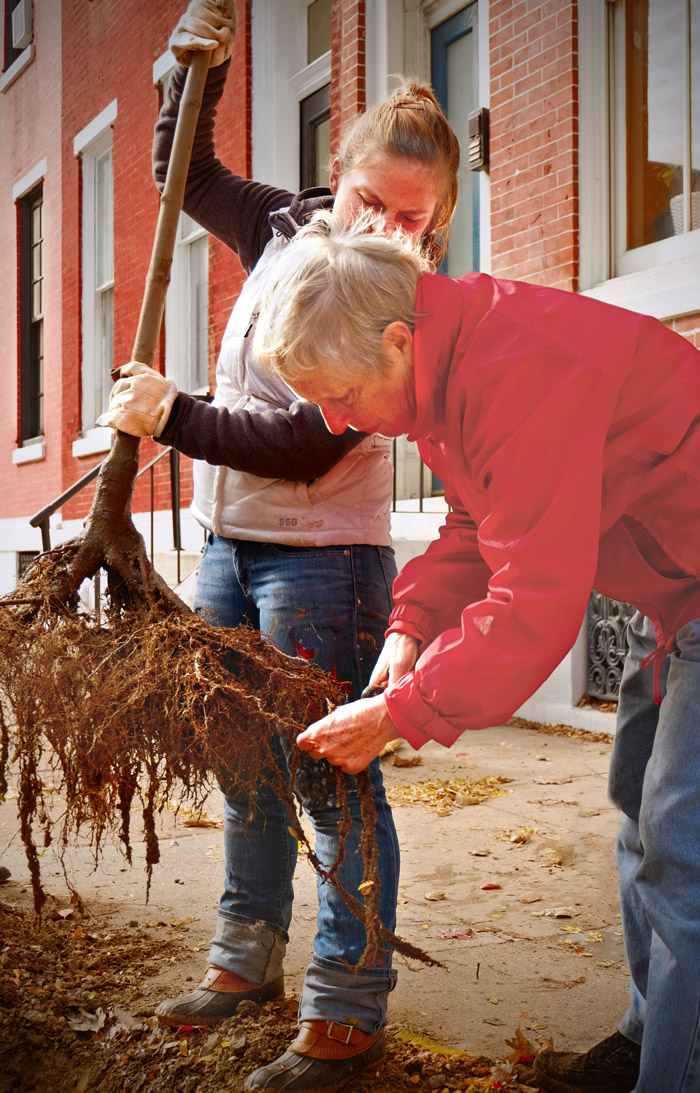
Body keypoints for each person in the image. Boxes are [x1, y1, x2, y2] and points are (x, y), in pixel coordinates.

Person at [246, 213, 700, 1093]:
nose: (335, 421)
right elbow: (473, 522)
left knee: (684, 842)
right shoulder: (449, 372)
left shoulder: (516, 368)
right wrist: (410, 625)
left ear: (395, 342)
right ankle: (652, 1037)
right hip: (670, 582)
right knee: (638, 811)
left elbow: (535, 598)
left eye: (338, 395)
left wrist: (401, 713)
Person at [99, 3, 461, 1090]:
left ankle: (347, 1010)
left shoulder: (413, 302)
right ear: (332, 177)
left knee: (330, 780)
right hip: (229, 543)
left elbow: (308, 444)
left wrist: (171, 418)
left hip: (325, 561)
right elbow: (185, 174)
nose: (383, 228)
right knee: (240, 763)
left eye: (414, 215)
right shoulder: (281, 225)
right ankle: (243, 956)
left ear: (439, 216)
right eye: (367, 200)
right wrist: (184, 66)